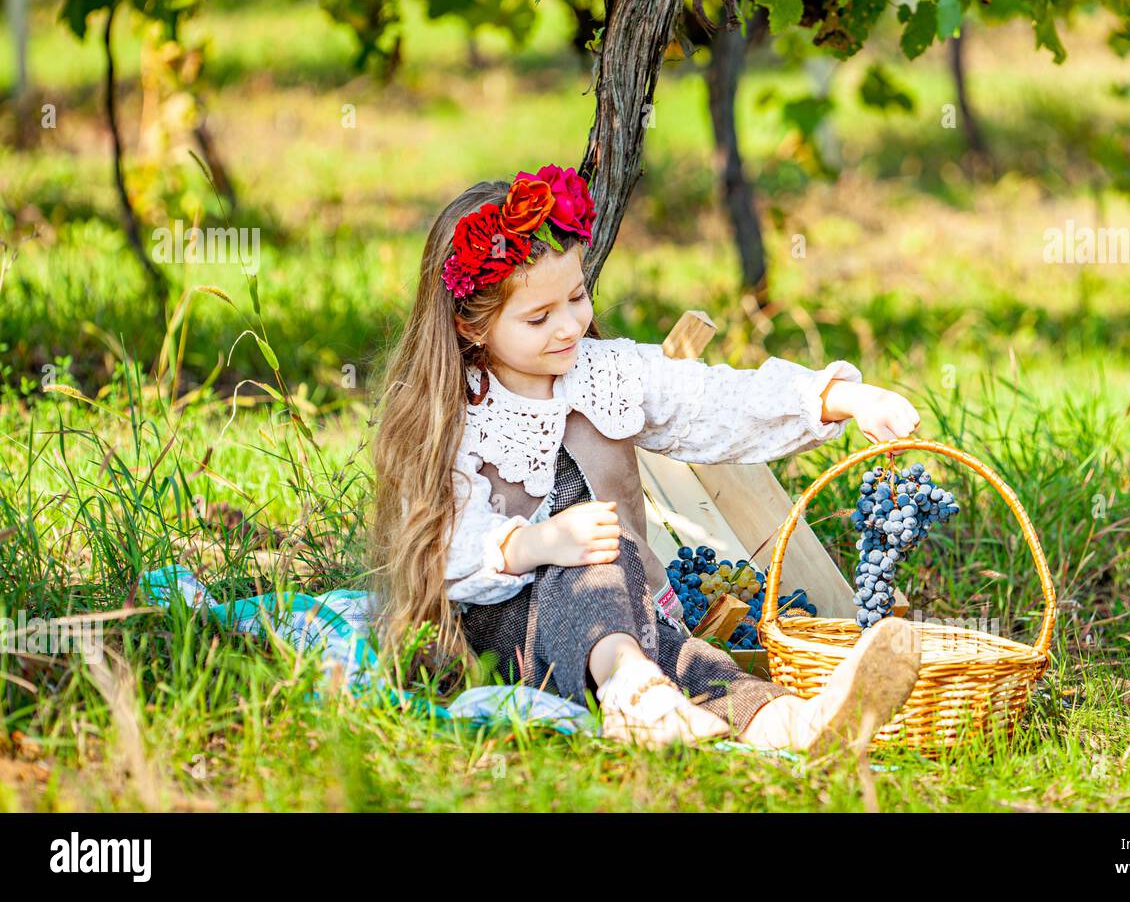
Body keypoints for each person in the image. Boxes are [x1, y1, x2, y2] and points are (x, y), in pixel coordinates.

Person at [369, 163, 922, 752]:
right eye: (538, 318)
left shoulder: (605, 373)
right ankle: (632, 694)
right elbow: (437, 539)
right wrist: (532, 545)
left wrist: (838, 398)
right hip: (500, 629)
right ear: (470, 325)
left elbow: (712, 401)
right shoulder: (452, 413)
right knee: (591, 565)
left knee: (691, 663)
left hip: (625, 616)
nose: (569, 327)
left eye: (577, 297)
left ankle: (796, 726)